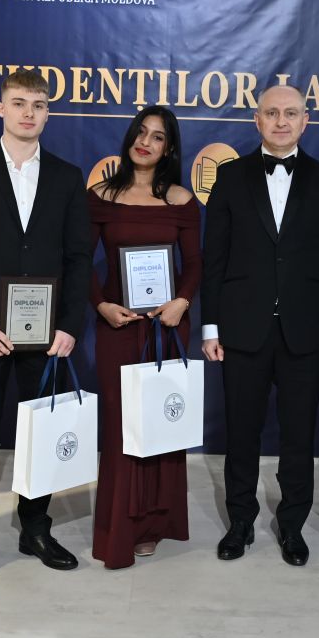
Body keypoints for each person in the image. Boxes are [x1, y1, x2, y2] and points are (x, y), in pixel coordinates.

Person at [0, 67, 92, 585]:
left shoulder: (68, 176)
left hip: (47, 336)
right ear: (0, 109)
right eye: (20, 103)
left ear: (49, 113)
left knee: (39, 435)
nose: (29, 113)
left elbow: (78, 257)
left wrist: (69, 325)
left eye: (39, 105)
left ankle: (35, 529)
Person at [202, 84, 319, 566]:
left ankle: (292, 525)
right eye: (271, 113)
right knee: (241, 433)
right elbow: (214, 257)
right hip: (242, 328)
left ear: (306, 121)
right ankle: (240, 522)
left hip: (307, 330)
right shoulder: (230, 177)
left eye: (290, 113)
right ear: (257, 120)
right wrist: (210, 327)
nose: (281, 121)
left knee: (298, 435)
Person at [88, 106, 201, 568]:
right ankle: (119, 527)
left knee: (159, 425)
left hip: (165, 327)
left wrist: (182, 302)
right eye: (141, 132)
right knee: (121, 427)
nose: (145, 142)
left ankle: (154, 523)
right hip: (118, 325)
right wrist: (100, 305)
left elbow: (195, 263)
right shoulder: (100, 195)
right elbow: (79, 261)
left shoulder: (181, 200)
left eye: (157, 137)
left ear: (168, 149)